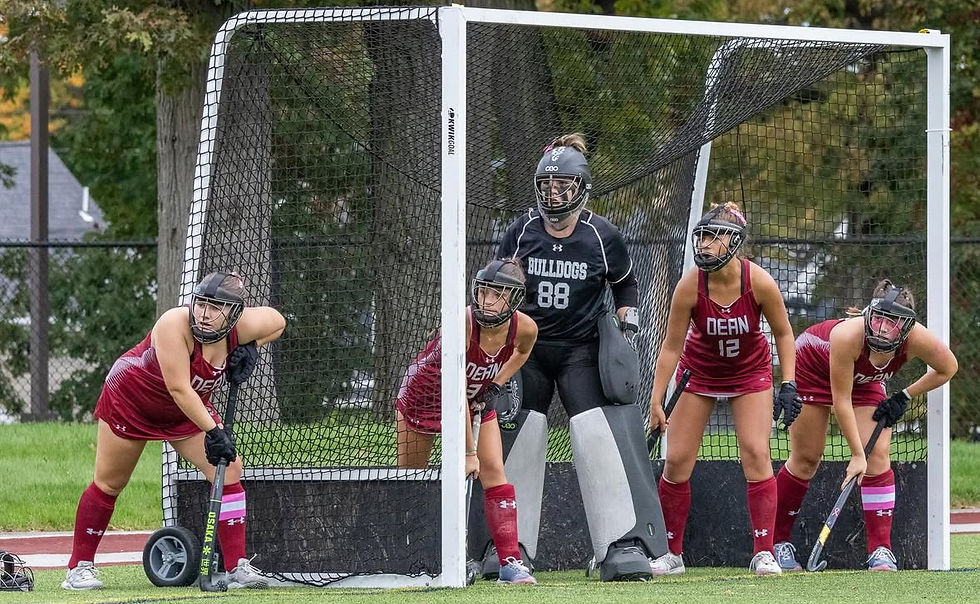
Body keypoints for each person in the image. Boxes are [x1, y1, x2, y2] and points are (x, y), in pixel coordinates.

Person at [494, 133, 664, 582]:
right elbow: (498, 280)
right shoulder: (520, 231)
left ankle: (618, 544)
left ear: (582, 187)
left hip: (581, 350)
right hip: (525, 349)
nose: (554, 195)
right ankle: (506, 547)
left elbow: (625, 282)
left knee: (594, 432)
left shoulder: (602, 235)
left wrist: (627, 317)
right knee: (520, 434)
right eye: (546, 186)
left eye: (563, 186)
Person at [61, 272, 286, 591]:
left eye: (217, 307)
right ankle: (77, 568)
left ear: (234, 313)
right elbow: (180, 388)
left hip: (184, 410)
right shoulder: (172, 324)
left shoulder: (240, 327)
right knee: (111, 483)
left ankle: (236, 568)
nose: (205, 314)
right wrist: (214, 432)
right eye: (201, 304)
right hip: (133, 400)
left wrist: (252, 347)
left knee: (230, 469)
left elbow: (277, 322)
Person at [646, 201, 801, 577]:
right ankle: (672, 554)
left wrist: (788, 384)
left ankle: (763, 552)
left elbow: (783, 333)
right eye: (702, 237)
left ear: (734, 242)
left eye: (714, 237)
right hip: (698, 375)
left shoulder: (758, 281)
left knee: (755, 452)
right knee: (677, 461)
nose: (705, 245)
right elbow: (670, 346)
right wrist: (656, 397)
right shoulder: (690, 285)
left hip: (749, 374)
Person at [772, 280, 957, 572]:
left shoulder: (917, 339)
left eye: (893, 322)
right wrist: (857, 455)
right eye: (879, 317)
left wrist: (904, 395)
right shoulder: (848, 336)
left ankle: (880, 550)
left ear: (907, 326)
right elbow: (841, 401)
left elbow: (947, 368)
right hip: (812, 365)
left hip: (865, 381)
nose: (883, 327)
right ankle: (777, 542)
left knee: (879, 455)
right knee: (807, 458)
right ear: (869, 313)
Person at [396, 258, 539, 585]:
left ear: (514, 299)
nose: (486, 300)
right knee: (412, 480)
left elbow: (522, 352)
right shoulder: (463, 322)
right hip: (427, 396)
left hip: (472, 398)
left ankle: (510, 563)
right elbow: (454, 390)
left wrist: (496, 385)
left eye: (496, 294)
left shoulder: (525, 327)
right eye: (483, 292)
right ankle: (413, 560)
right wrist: (467, 452)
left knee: (495, 472)